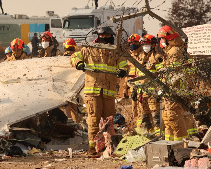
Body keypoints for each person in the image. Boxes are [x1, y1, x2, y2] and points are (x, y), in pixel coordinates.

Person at [70, 27, 128, 155]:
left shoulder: (115, 52)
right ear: (98, 36)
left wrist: (123, 70)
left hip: (109, 92)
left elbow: (124, 64)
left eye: (107, 35)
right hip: (93, 92)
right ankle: (93, 148)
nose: (105, 38)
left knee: (109, 122)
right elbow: (74, 56)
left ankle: (109, 148)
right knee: (93, 120)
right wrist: (78, 63)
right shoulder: (89, 50)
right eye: (102, 35)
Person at [158, 25, 188, 141]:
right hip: (168, 89)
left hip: (174, 89)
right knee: (167, 118)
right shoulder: (170, 50)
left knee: (173, 117)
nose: (161, 41)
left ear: (168, 38)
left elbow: (173, 72)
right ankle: (169, 144)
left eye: (162, 38)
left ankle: (181, 144)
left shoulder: (175, 51)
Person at [140, 34, 164, 132]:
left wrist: (160, 90)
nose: (145, 46)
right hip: (142, 93)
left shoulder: (157, 57)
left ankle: (158, 134)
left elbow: (162, 75)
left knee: (156, 116)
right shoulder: (143, 58)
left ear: (153, 45)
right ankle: (148, 134)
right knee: (145, 117)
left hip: (153, 93)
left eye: (147, 44)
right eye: (144, 44)